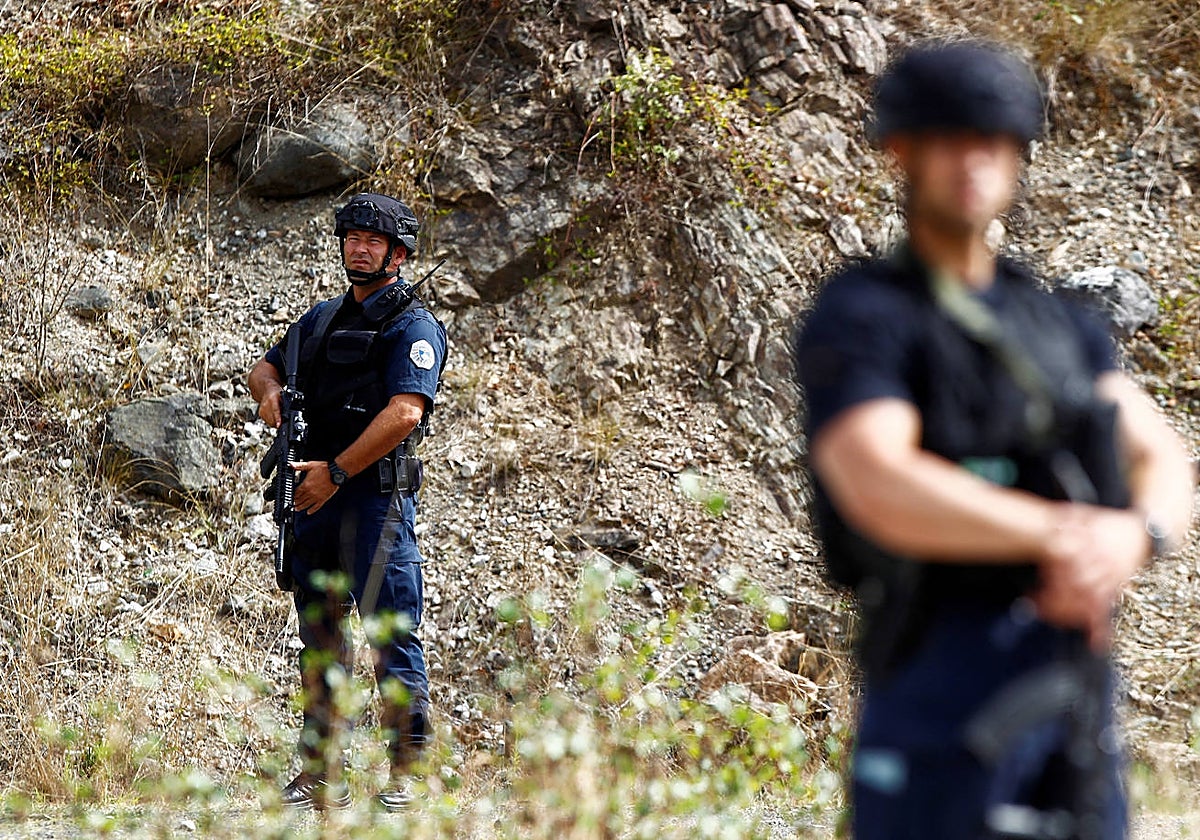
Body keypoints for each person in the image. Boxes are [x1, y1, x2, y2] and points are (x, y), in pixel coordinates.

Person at [792, 41, 1194, 839]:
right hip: (943, 666)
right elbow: (875, 476)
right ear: (902, 153)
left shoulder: (1060, 325)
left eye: (993, 140)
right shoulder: (868, 313)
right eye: (949, 139)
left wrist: (1136, 536)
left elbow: (1163, 456)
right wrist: (1065, 537)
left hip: (1071, 684)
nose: (972, 161)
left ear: (1017, 155)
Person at [248, 192, 447, 812]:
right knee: (320, 638)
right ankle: (318, 771)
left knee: (391, 638)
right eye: (352, 237)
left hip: (374, 504)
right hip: (312, 502)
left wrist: (335, 471)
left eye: (373, 240)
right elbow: (264, 367)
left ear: (398, 253)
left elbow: (405, 412)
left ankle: (406, 774)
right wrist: (270, 393)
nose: (359, 248)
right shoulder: (319, 319)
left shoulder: (412, 325)